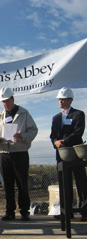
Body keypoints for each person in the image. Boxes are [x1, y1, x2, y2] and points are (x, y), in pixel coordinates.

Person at [0, 87, 38, 221]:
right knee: (7, 184)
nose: (5, 104)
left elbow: (33, 131)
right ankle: (9, 211)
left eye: (7, 101)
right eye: (3, 102)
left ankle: (24, 211)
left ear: (13, 99)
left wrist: (22, 136)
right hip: (3, 153)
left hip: (20, 153)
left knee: (22, 183)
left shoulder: (24, 113)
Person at [50, 87, 87, 221]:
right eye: (59, 99)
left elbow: (78, 132)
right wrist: (55, 142)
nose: (61, 101)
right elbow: (52, 135)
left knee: (81, 182)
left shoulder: (78, 114)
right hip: (61, 154)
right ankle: (66, 211)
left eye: (63, 99)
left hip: (75, 152)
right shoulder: (56, 118)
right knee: (64, 184)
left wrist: (64, 141)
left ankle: (85, 211)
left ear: (70, 100)